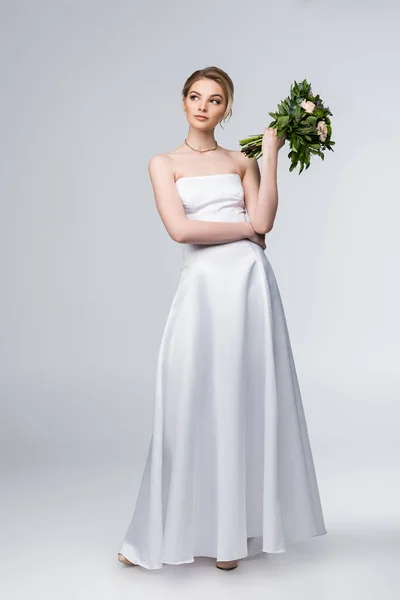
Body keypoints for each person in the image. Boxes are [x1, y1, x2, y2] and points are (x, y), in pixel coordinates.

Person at [117, 66, 327, 571]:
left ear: (227, 109)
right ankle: (155, 534)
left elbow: (264, 222)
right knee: (190, 401)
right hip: (204, 291)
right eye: (195, 96)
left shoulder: (242, 160)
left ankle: (231, 538)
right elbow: (180, 230)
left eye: (214, 99)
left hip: (250, 289)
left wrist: (271, 158)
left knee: (244, 399)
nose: (203, 106)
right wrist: (242, 229)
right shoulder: (162, 162)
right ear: (183, 102)